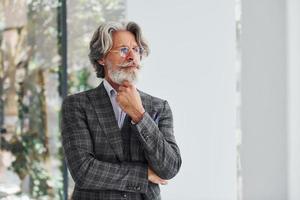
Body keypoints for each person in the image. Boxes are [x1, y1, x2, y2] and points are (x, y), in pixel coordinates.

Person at [61, 21, 181, 200]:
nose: (132, 57)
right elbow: (83, 170)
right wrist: (144, 174)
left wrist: (140, 115)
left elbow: (169, 168)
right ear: (102, 58)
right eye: (124, 50)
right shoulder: (77, 105)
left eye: (137, 50)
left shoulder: (158, 107)